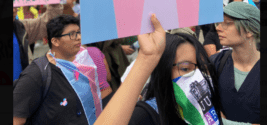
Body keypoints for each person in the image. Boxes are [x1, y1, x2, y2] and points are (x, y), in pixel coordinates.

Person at [94, 15, 222, 125]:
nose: (197, 76)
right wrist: (147, 58)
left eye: (202, 67)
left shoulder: (207, 108)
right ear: (163, 70)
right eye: (185, 68)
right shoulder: (146, 114)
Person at [13, 15, 102, 125]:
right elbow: (16, 120)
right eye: (72, 34)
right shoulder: (37, 73)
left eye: (79, 32)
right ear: (55, 41)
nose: (78, 37)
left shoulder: (84, 64)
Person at [210, 2, 260, 125]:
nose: (218, 28)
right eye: (219, 23)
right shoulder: (216, 62)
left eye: (227, 23)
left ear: (249, 30)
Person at [13, 0, 64, 81]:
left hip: (21, 92)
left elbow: (49, 21)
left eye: (15, 6)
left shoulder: (21, 27)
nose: (14, 10)